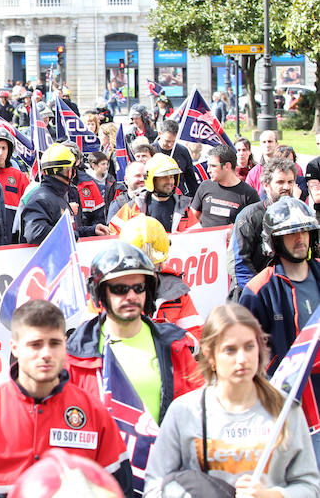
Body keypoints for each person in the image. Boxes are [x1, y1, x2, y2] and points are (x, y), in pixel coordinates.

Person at [0, 300, 134, 496]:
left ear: (65, 344)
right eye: (35, 345)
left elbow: (119, 488)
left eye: (54, 343)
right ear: (14, 348)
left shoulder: (93, 411)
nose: (46, 354)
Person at [143, 304, 320, 497]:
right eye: (230, 350)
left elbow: (310, 486)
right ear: (210, 355)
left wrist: (273, 495)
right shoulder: (185, 411)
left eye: (249, 347)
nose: (242, 359)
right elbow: (154, 486)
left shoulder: (284, 408)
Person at [66, 241, 202, 426]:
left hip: (164, 452)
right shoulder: (76, 353)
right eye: (120, 289)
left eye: (138, 288)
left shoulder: (175, 345)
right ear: (101, 294)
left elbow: (200, 412)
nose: (131, 296)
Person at [239, 196, 320, 459]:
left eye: (304, 231)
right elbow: (247, 355)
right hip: (288, 403)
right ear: (274, 241)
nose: (300, 239)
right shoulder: (258, 290)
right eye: (291, 234)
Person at [119, 215, 204, 338]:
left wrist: (172, 339)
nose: (145, 274)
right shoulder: (108, 292)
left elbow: (197, 336)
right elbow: (89, 343)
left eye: (152, 266)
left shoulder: (176, 291)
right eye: (138, 267)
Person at [228, 157, 297, 292]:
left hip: (289, 292)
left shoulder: (298, 214)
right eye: (280, 182)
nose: (286, 187)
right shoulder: (249, 216)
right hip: (253, 293)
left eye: (290, 182)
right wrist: (263, 293)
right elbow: (238, 263)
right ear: (266, 185)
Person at [20, 143, 94, 244]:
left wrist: (92, 230)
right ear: (68, 171)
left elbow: (61, 228)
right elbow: (35, 232)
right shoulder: (41, 198)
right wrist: (72, 236)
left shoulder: (56, 195)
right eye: (73, 169)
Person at [109, 153, 196, 234]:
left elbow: (197, 237)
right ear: (151, 179)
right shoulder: (134, 207)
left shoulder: (184, 208)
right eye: (164, 177)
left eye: (172, 177)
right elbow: (113, 234)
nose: (169, 181)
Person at [189, 144, 260, 228]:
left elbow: (256, 226)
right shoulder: (205, 186)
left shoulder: (249, 194)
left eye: (213, 166)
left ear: (227, 166)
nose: (208, 170)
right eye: (208, 166)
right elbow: (192, 219)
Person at [0, 127, 30, 233]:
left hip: (13, 234)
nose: (0, 152)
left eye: (4, 148)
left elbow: (29, 206)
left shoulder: (19, 176)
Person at [152, 119, 199, 196]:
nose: (170, 145)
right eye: (167, 141)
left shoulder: (183, 151)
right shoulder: (151, 151)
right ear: (160, 134)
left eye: (173, 141)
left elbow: (191, 179)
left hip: (178, 196)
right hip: (156, 196)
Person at [245, 130, 279, 195]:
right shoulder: (253, 173)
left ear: (276, 144)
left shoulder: (286, 168)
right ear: (260, 144)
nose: (267, 145)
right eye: (264, 142)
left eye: (270, 141)